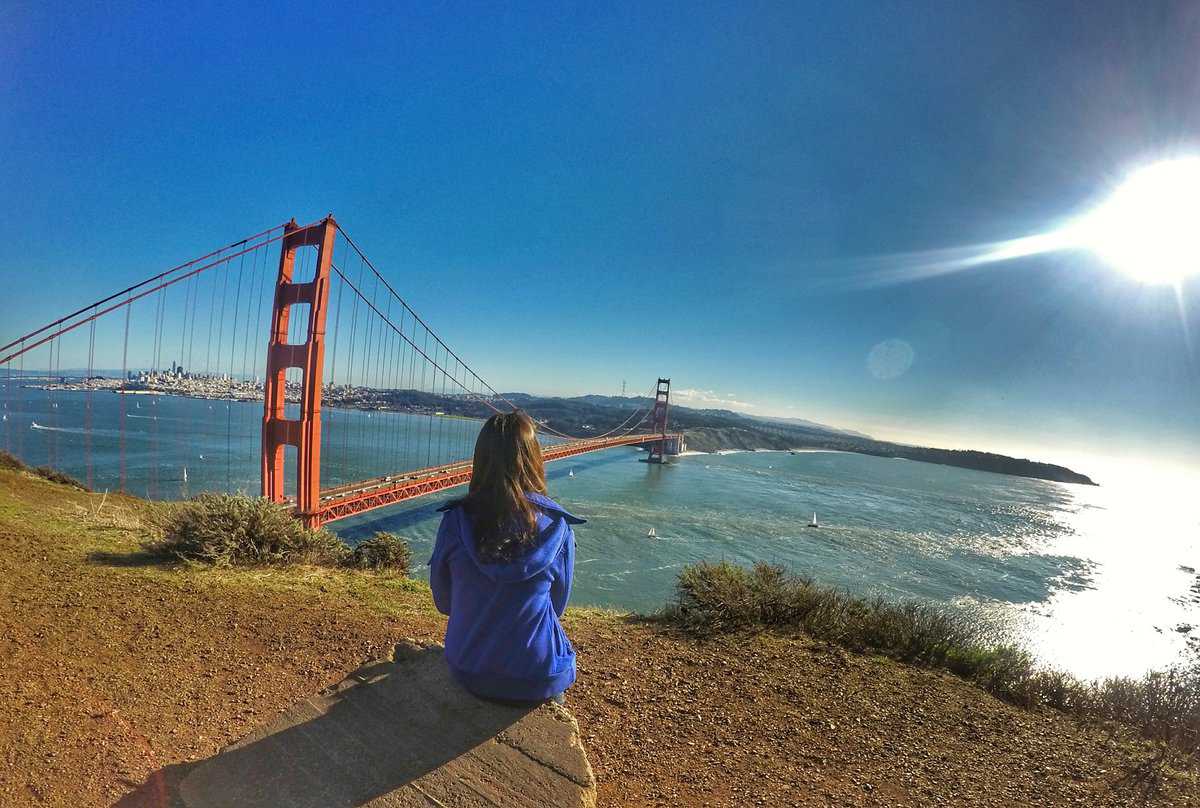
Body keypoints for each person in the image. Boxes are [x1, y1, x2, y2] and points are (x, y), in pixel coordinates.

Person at [429, 410, 583, 705]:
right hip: (539, 676)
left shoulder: (454, 522)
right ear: (534, 459)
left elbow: (443, 603)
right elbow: (558, 607)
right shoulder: (559, 529)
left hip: (469, 668)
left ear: (481, 460)